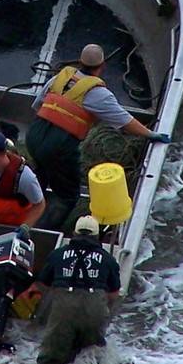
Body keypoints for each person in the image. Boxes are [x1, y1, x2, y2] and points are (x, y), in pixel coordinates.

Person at [26, 43, 171, 228]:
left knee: (39, 178)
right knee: (67, 195)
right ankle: (42, 231)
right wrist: (152, 134)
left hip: (34, 136)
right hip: (58, 147)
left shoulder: (58, 78)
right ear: (102, 66)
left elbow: (37, 105)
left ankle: (24, 217)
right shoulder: (99, 94)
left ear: (79, 62)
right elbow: (125, 121)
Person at [36, 215, 120, 364]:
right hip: (95, 309)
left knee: (50, 363)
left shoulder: (58, 254)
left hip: (63, 308)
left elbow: (42, 284)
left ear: (74, 233)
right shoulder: (108, 260)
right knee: (91, 359)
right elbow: (114, 294)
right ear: (97, 236)